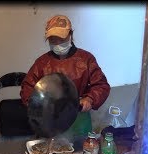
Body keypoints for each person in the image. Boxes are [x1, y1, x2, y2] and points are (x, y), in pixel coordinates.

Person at [20, 15, 110, 146]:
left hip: (79, 118)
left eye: (60, 39)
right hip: (49, 121)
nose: (57, 43)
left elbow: (101, 85)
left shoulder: (86, 59)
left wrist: (90, 99)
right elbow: (27, 89)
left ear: (71, 35)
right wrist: (39, 106)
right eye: (52, 40)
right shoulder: (42, 63)